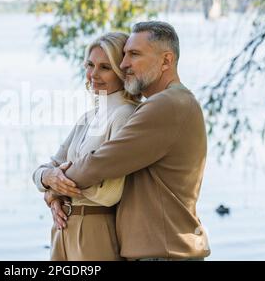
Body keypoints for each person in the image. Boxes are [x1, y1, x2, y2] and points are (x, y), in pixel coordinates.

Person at [47, 21, 211, 260]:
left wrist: (53, 184)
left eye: (134, 54)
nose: (124, 64)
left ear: (166, 60)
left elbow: (100, 163)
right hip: (160, 249)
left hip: (165, 252)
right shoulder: (171, 103)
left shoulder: (167, 105)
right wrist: (49, 181)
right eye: (124, 55)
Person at [32, 32, 140, 260]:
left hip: (94, 230)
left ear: (122, 72)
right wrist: (48, 178)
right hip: (63, 227)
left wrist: (54, 188)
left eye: (105, 67)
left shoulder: (125, 116)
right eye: (90, 65)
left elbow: (109, 193)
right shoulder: (88, 118)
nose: (93, 74)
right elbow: (45, 169)